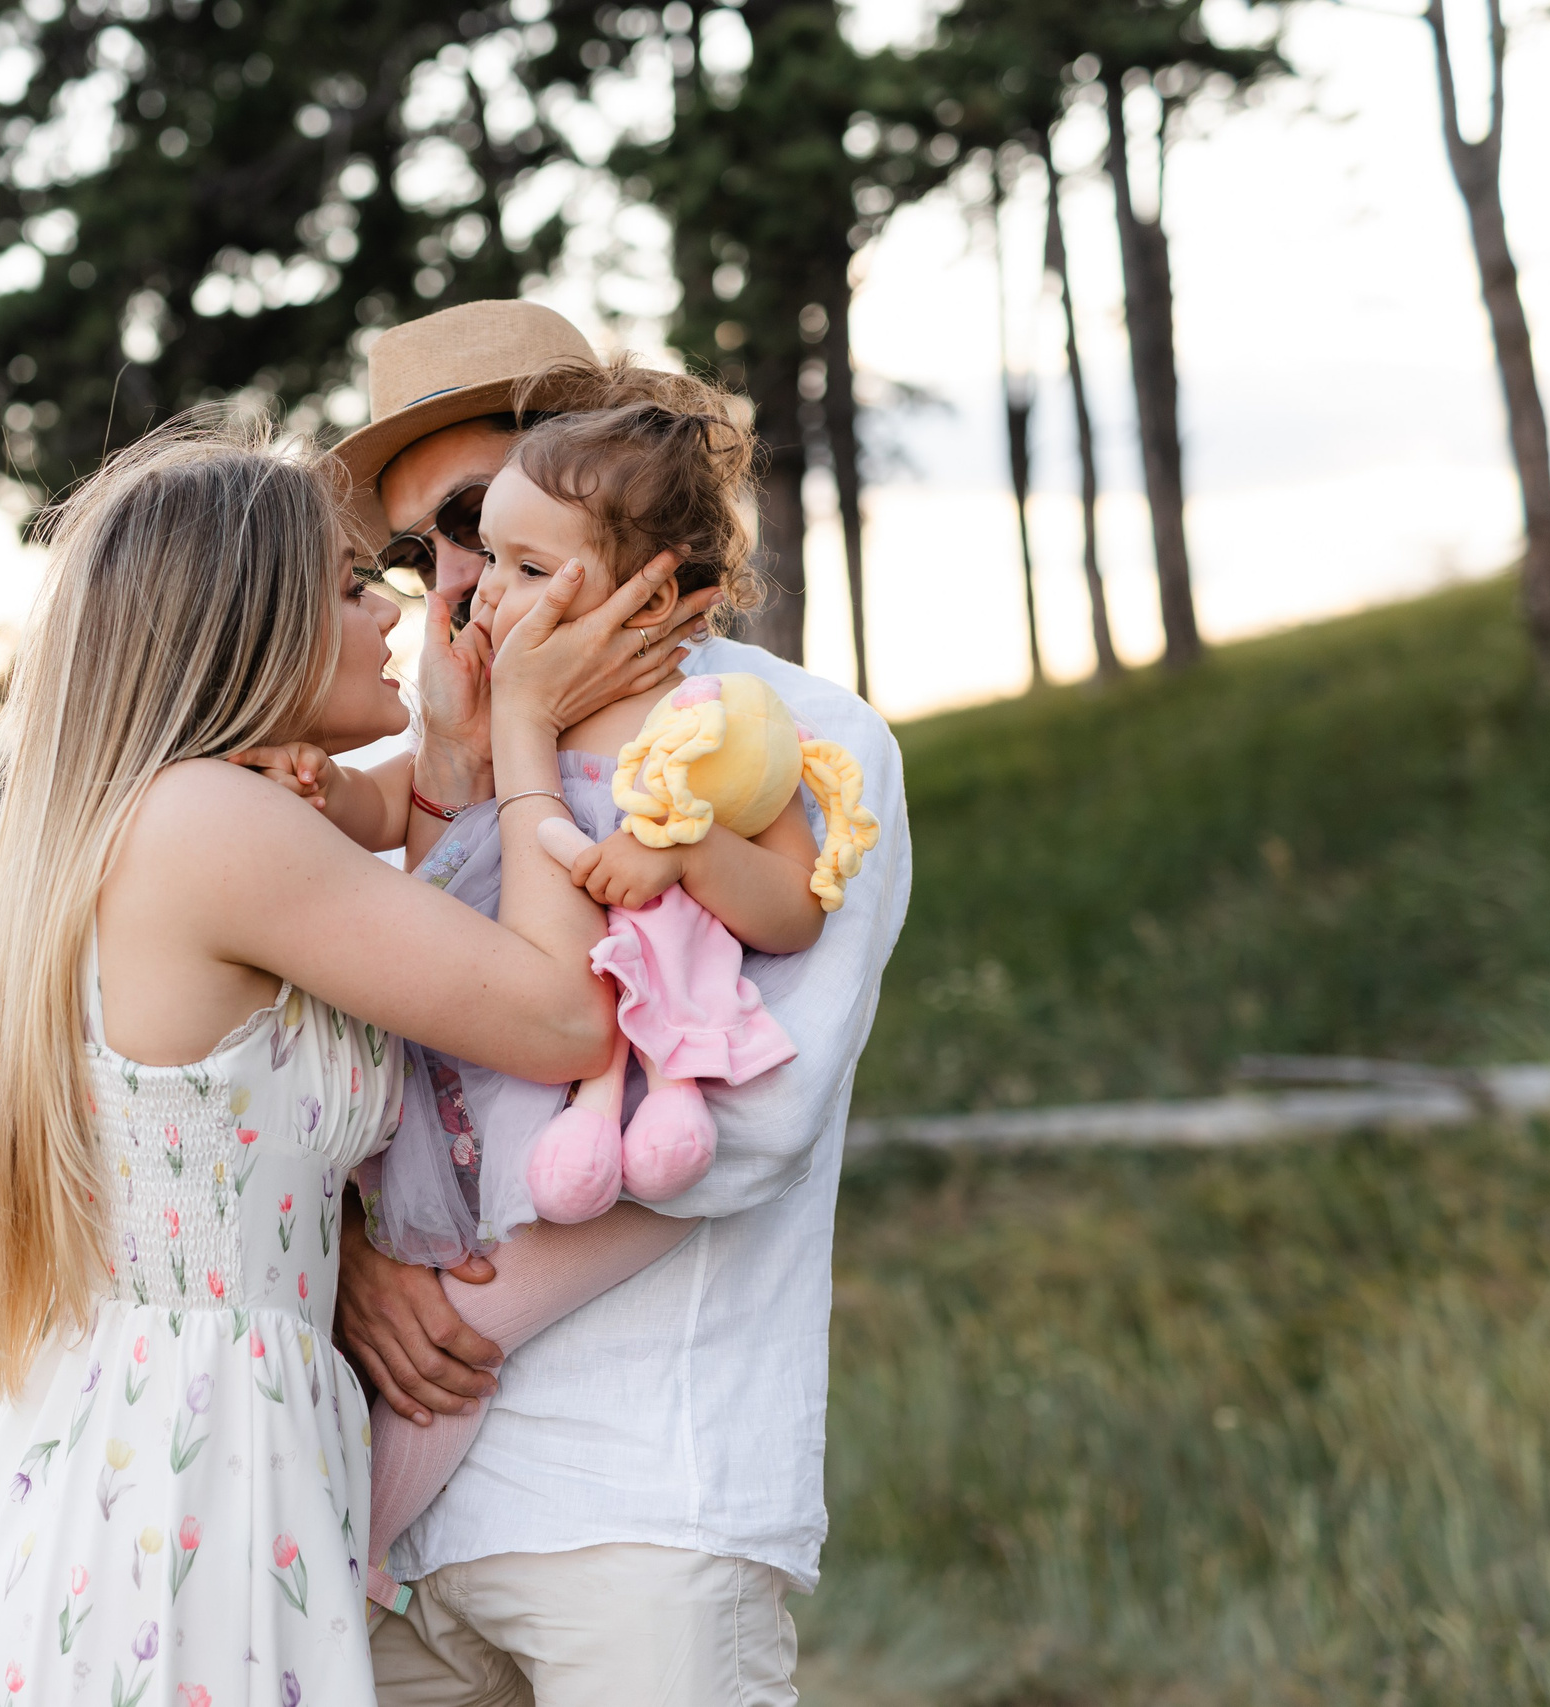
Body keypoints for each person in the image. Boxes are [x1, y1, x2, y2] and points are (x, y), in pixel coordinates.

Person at [0, 414, 709, 1706]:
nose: (395, 612)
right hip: (183, 1476)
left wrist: (453, 753)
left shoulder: (172, 814)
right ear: (252, 621)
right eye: (354, 584)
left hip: (136, 1451)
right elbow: (563, 1020)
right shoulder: (215, 825)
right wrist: (528, 728)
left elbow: (415, 954)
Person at [329, 303, 914, 1707]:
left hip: (641, 1506)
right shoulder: (424, 769)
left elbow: (752, 1119)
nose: (458, 582)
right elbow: (339, 1092)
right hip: (384, 1535)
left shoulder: (792, 740)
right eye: (422, 552)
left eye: (477, 522)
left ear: (597, 483)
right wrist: (354, 1266)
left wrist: (453, 1316)